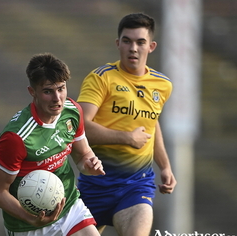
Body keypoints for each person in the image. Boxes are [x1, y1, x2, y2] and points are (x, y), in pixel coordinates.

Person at [76, 13, 177, 236]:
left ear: (151, 46)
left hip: (135, 186)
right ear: (118, 44)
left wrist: (165, 166)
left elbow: (151, 123)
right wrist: (126, 138)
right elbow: (80, 127)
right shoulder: (101, 78)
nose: (133, 48)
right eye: (127, 41)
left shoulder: (162, 85)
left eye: (140, 42)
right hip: (94, 187)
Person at [0, 53, 105, 236]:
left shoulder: (72, 112)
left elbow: (82, 155)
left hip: (69, 207)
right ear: (32, 92)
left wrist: (90, 163)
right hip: (29, 226)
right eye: (48, 91)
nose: (57, 99)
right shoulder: (16, 137)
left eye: (61, 88)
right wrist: (30, 218)